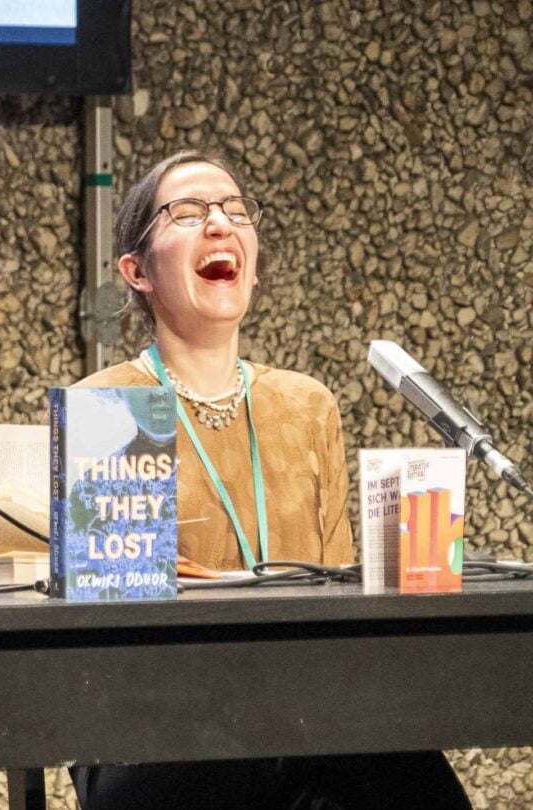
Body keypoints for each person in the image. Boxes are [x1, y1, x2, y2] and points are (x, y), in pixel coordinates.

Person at [69, 151, 471, 809]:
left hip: (306, 706)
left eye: (235, 211)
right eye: (189, 213)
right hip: (150, 727)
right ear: (136, 271)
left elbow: (338, 593)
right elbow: (112, 643)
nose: (221, 224)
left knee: (408, 768)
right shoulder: (110, 405)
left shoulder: (305, 402)